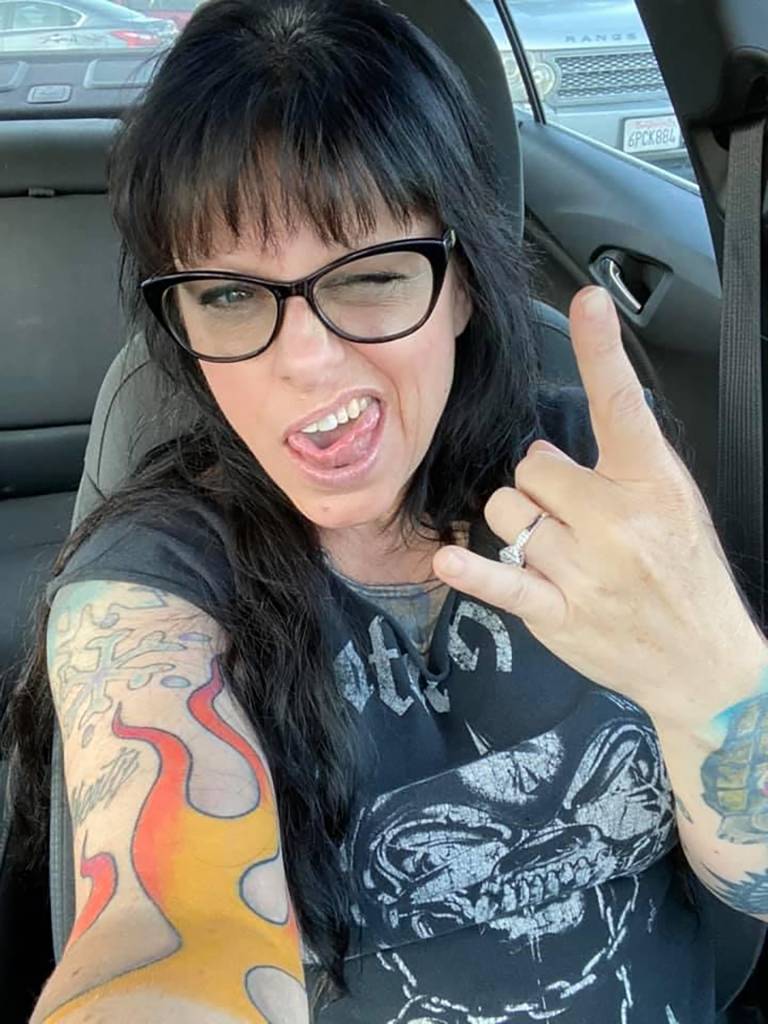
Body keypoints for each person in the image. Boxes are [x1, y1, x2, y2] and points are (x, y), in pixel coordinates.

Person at [4, 0, 767, 1021]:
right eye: (229, 294)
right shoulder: (154, 584)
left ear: (460, 285)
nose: (306, 361)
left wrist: (715, 673)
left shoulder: (597, 478)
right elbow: (164, 932)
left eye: (369, 275)